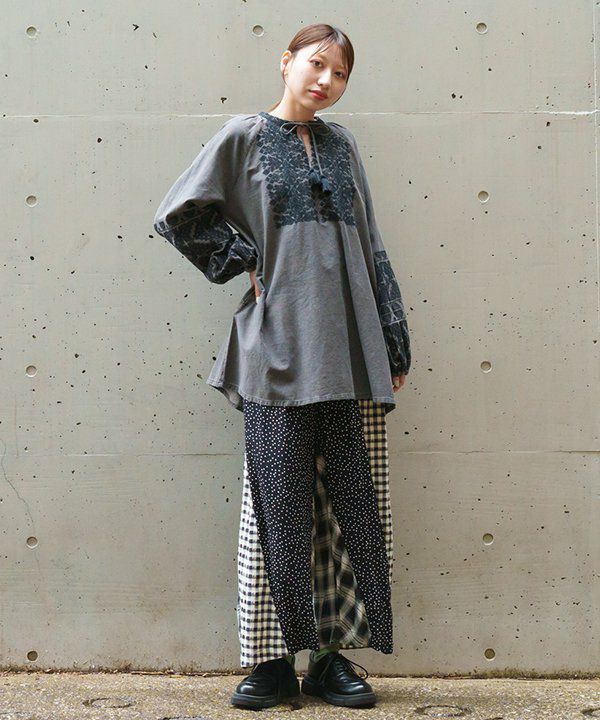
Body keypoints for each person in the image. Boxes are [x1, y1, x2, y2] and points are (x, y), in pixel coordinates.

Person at [153, 23, 411, 710]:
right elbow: (179, 213)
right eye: (317, 64)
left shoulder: (342, 145)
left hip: (350, 350)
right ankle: (270, 663)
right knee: (273, 508)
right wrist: (241, 259)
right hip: (277, 348)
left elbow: (371, 242)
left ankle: (329, 659)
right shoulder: (244, 136)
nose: (326, 80)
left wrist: (392, 338)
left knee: (346, 507)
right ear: (287, 61)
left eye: (340, 73)